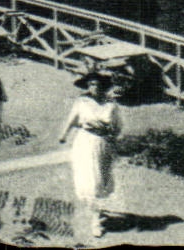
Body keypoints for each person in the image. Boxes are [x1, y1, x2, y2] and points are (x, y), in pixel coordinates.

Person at [59, 69, 122, 240]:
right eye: (91, 84)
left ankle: (97, 212)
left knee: (100, 181)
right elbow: (72, 119)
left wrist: (112, 139)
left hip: (102, 144)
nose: (94, 87)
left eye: (98, 84)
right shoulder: (82, 101)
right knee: (89, 181)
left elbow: (117, 127)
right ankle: (96, 220)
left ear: (104, 86)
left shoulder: (111, 105)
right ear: (87, 86)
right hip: (85, 142)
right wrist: (63, 134)